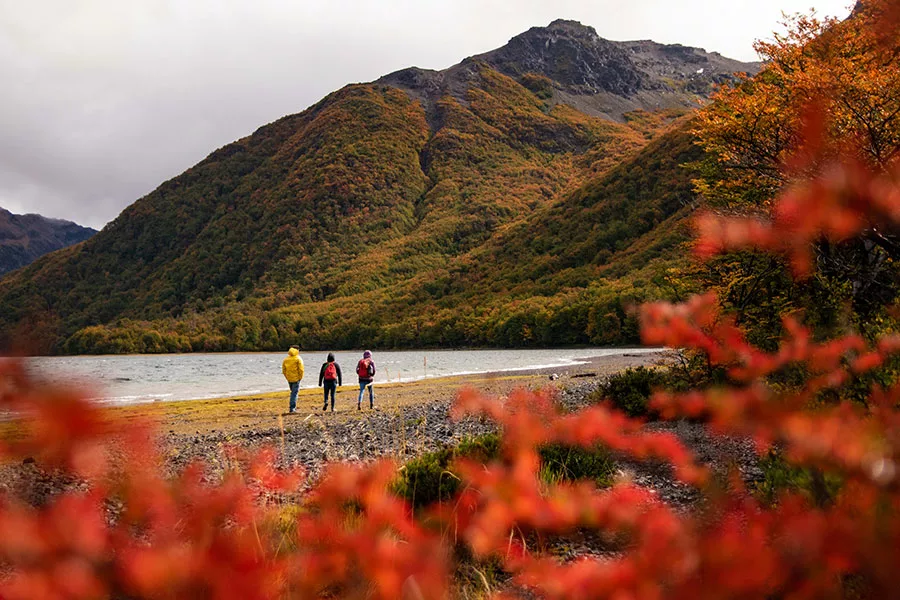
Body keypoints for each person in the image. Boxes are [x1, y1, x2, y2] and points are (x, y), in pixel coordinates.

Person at [281, 345, 304, 414]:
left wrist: (287, 377)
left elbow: (284, 370)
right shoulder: (298, 358)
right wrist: (300, 377)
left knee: (293, 392)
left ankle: (293, 407)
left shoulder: (286, 359)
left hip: (289, 379)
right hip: (296, 378)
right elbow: (301, 369)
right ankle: (292, 408)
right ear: (297, 350)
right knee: (294, 393)